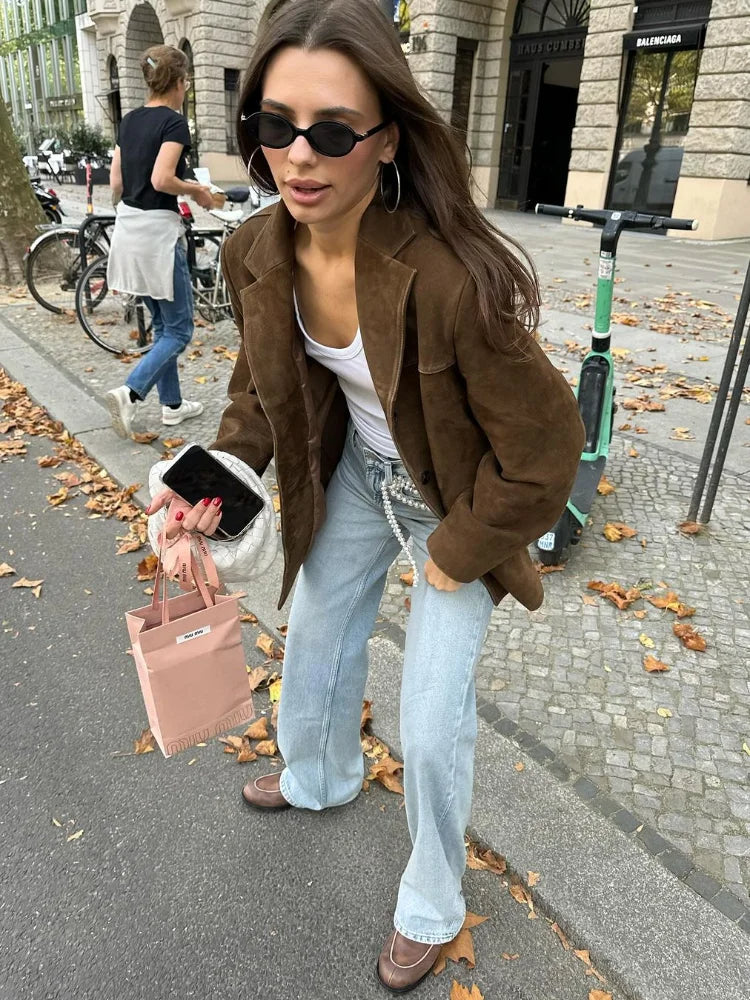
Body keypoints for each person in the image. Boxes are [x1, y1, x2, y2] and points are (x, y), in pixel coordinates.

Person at [148, 0, 585, 992]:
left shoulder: (447, 278)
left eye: (333, 131)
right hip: (355, 476)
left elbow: (548, 449)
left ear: (385, 139)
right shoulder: (256, 250)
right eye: (274, 124)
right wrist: (200, 500)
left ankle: (433, 898)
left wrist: (449, 553)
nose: (299, 156)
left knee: (430, 721)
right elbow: (255, 404)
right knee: (313, 634)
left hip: (456, 503)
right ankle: (320, 777)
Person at [105, 44, 213, 439]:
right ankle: (130, 393)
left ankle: (172, 406)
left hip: (129, 230)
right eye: (186, 83)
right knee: (180, 330)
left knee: (164, 324)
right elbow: (162, 179)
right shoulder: (173, 122)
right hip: (157, 237)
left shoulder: (129, 121)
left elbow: (117, 184)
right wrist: (197, 190)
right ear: (181, 82)